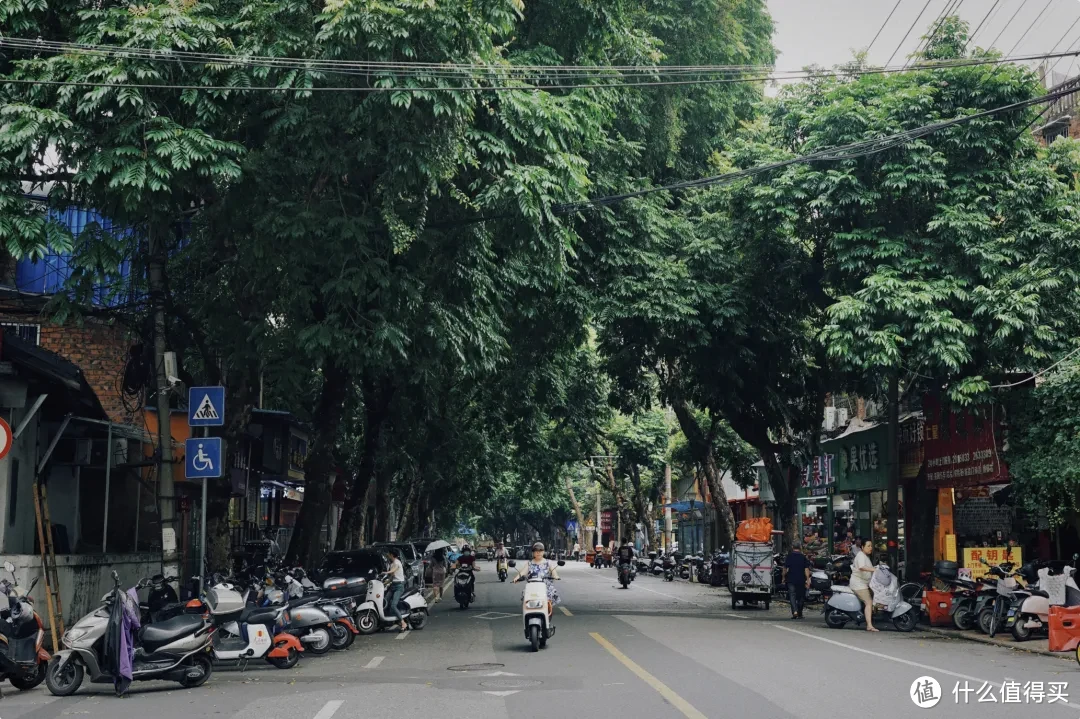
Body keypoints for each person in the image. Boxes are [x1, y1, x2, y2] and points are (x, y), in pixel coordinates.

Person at [849, 539, 878, 632]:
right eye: (868, 546)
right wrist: (874, 569)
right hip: (859, 584)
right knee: (868, 602)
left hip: (864, 583)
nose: (871, 548)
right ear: (862, 547)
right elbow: (862, 567)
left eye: (871, 546)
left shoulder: (865, 556)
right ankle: (869, 625)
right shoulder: (861, 556)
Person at [782, 542, 812, 619]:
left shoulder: (789, 556)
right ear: (800, 548)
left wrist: (783, 577)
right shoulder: (803, 557)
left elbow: (785, 569)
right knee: (801, 596)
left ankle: (794, 611)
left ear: (792, 547)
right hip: (801, 579)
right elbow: (806, 569)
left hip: (791, 579)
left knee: (792, 595)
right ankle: (800, 613)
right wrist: (808, 579)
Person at [385, 547, 408, 631]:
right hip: (393, 585)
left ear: (391, 555)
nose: (387, 555)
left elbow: (393, 570)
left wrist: (386, 572)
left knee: (393, 605)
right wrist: (383, 583)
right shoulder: (391, 563)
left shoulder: (397, 562)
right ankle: (390, 621)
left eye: (388, 553)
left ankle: (403, 622)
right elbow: (392, 577)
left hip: (399, 586)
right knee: (385, 601)